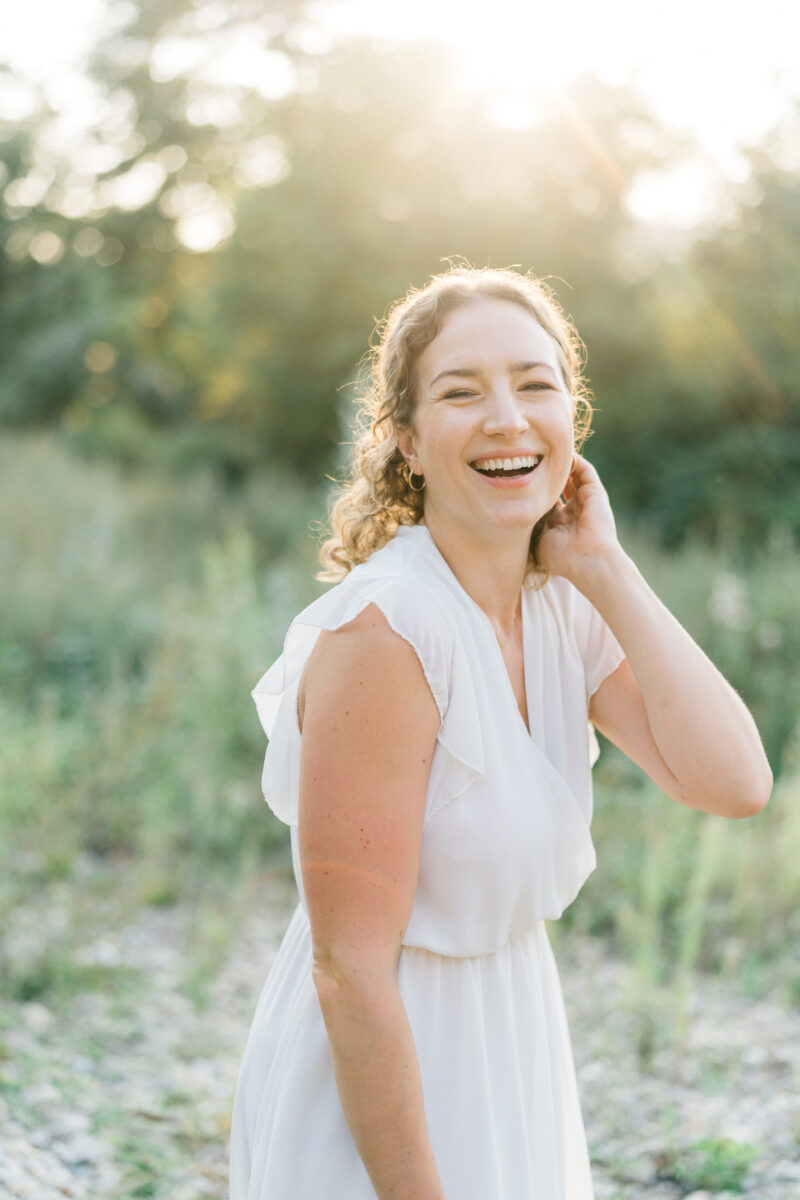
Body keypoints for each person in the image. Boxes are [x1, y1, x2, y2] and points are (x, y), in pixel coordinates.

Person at [228, 265, 772, 1200]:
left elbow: (734, 783)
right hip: (383, 1086)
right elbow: (348, 968)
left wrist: (605, 567)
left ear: (573, 417)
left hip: (513, 1042)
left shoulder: (562, 602)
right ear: (406, 441)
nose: (507, 418)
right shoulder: (388, 630)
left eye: (535, 384)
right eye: (460, 392)